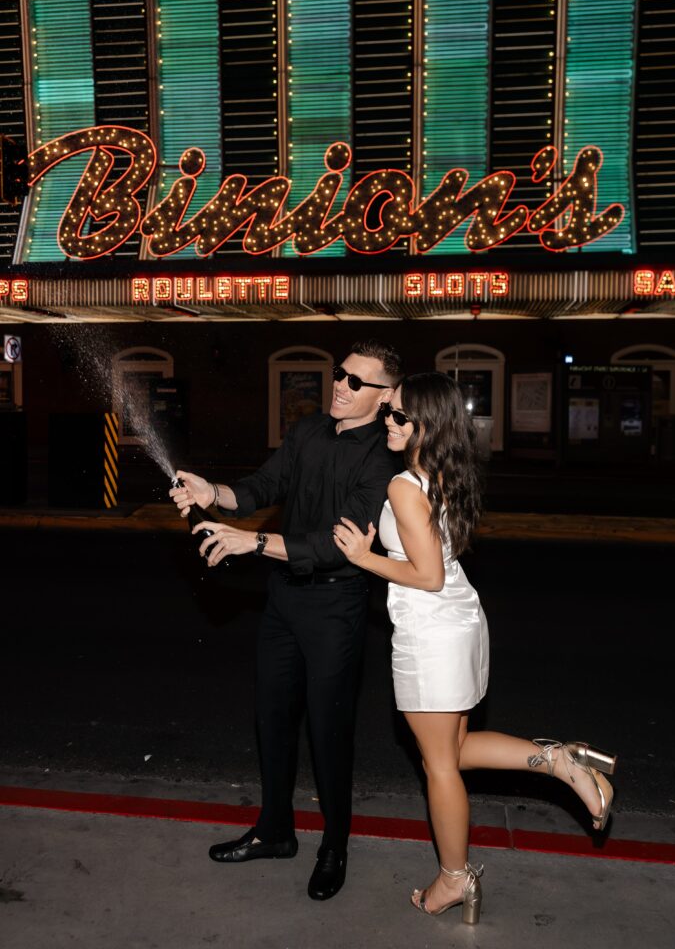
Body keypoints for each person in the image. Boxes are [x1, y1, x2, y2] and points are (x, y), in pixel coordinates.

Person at [333, 372, 616, 925]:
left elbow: (429, 575)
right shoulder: (441, 472)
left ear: (426, 425)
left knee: (439, 765)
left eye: (398, 415)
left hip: (432, 630)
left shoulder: (403, 486)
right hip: (459, 623)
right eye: (387, 412)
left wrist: (364, 558)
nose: (387, 422)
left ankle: (454, 877)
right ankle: (560, 761)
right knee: (455, 750)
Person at [169, 340, 403, 901]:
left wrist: (251, 543)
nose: (341, 387)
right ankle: (275, 831)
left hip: (335, 606)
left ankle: (334, 846)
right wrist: (215, 493)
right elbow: (263, 486)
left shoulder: (385, 461)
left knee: (328, 732)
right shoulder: (307, 432)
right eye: (339, 375)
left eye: (356, 382)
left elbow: (338, 546)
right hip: (283, 601)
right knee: (271, 719)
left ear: (386, 395)